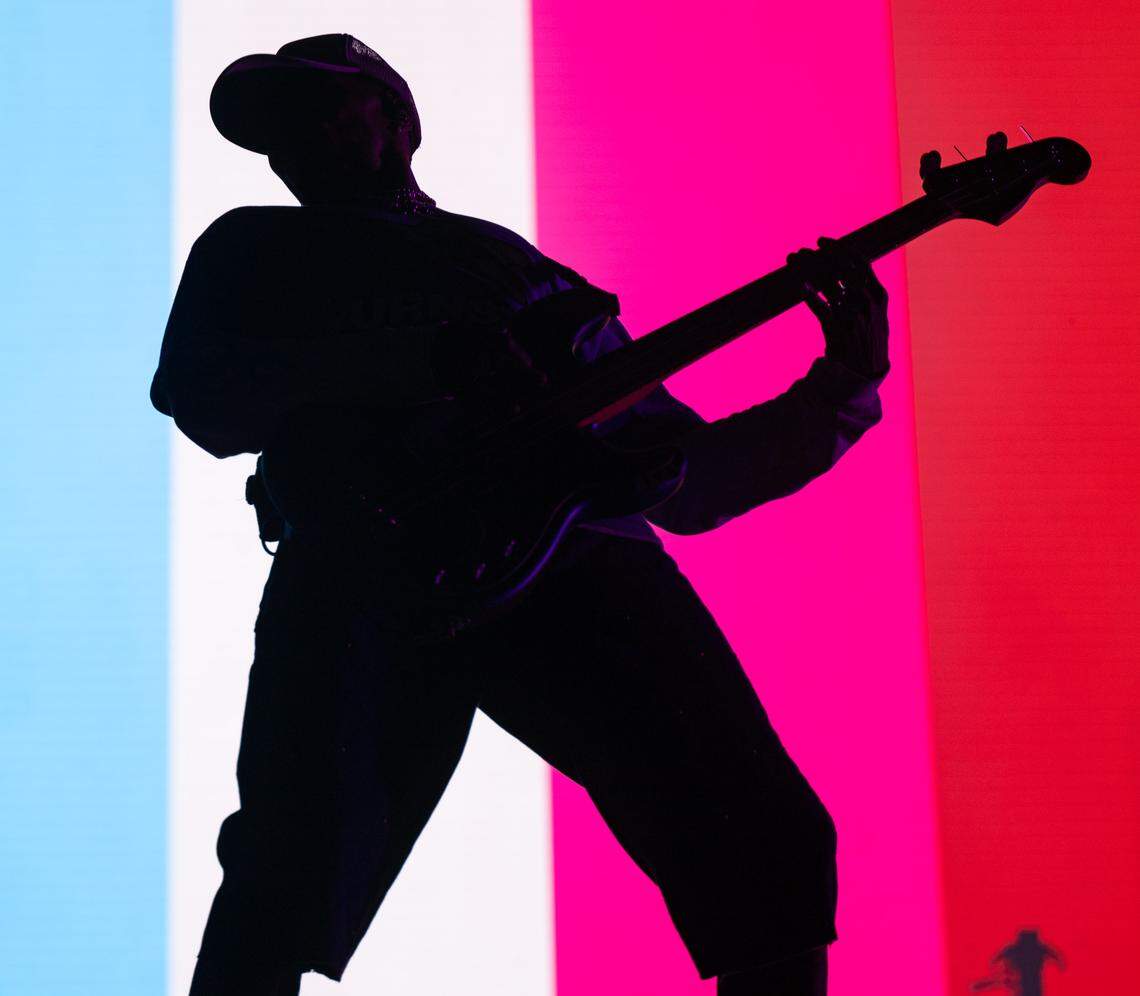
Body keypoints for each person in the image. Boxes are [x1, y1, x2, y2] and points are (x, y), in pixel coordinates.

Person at [152, 33, 891, 996]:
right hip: (360, 568)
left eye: (325, 108)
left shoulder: (516, 271)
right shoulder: (251, 247)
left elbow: (689, 479)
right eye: (280, 128)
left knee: (758, 829)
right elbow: (200, 395)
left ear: (399, 119)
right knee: (284, 871)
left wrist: (841, 384)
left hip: (573, 568)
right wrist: (426, 363)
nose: (299, 140)